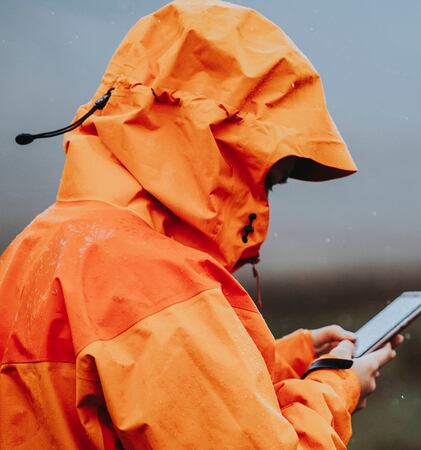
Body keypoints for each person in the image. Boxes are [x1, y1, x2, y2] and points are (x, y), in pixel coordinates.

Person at [0, 1, 400, 448]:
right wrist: (338, 389)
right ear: (222, 151)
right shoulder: (151, 282)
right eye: (271, 176)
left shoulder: (35, 245)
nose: (264, 200)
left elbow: (129, 390)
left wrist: (290, 361)